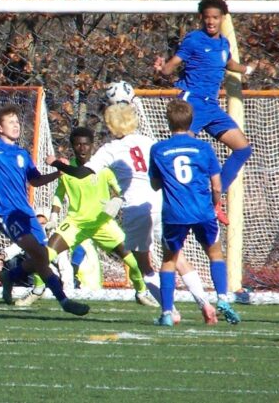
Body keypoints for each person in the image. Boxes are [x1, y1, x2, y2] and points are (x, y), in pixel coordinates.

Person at [49, 103, 218, 323]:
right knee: (177, 258)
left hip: (135, 209)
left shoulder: (110, 149)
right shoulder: (149, 142)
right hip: (160, 205)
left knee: (144, 266)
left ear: (110, 124)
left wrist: (56, 163)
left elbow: (81, 173)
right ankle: (204, 303)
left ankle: (170, 311)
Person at [0, 103, 89, 316]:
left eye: (17, 122)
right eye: (10, 122)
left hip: (27, 213)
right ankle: (64, 301)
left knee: (43, 256)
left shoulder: (22, 154)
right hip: (7, 213)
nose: (16, 125)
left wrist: (57, 174)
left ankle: (10, 276)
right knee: (37, 253)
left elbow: (34, 181)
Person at [18, 127, 156, 308]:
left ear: (92, 146)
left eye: (86, 144)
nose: (82, 148)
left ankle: (141, 291)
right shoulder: (67, 170)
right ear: (73, 147)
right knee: (44, 255)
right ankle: (38, 288)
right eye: (77, 144)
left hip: (102, 224)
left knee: (134, 260)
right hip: (75, 223)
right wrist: (53, 215)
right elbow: (59, 194)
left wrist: (117, 200)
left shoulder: (104, 169)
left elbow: (122, 190)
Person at [153, 0, 254, 223]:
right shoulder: (194, 40)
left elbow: (228, 63)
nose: (211, 22)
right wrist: (162, 69)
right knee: (181, 150)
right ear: (202, 18)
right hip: (193, 103)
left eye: (215, 18)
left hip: (211, 106)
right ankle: (175, 196)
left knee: (243, 148)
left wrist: (246, 70)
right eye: (207, 17)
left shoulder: (223, 43)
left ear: (222, 19)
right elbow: (172, 67)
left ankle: (213, 199)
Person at [149, 99, 241, 327]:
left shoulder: (158, 149)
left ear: (168, 122)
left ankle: (168, 313)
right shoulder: (203, 148)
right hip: (203, 211)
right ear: (192, 121)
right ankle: (222, 298)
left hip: (174, 214)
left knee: (169, 261)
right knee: (215, 254)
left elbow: (154, 184)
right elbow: (217, 185)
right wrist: (215, 204)